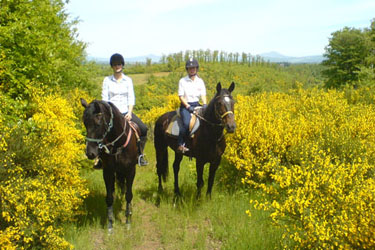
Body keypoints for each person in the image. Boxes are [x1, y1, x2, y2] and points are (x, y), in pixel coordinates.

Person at [94, 53, 148, 168]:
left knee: (143, 129)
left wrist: (129, 112)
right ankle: (99, 158)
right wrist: (107, 114)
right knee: (99, 131)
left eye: (119, 64)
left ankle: (139, 154)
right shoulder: (107, 80)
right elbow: (105, 99)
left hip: (125, 112)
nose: (117, 66)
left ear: (122, 65)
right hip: (111, 114)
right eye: (115, 64)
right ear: (112, 66)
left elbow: (131, 97)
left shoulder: (128, 80)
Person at [177, 58, 207, 153]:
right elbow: (181, 96)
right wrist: (187, 106)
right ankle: (180, 144)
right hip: (186, 105)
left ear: (196, 69)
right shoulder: (182, 81)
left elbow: (203, 94)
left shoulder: (200, 81)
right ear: (187, 69)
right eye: (190, 68)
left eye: (193, 68)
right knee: (186, 123)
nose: (192, 70)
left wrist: (205, 104)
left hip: (197, 104)